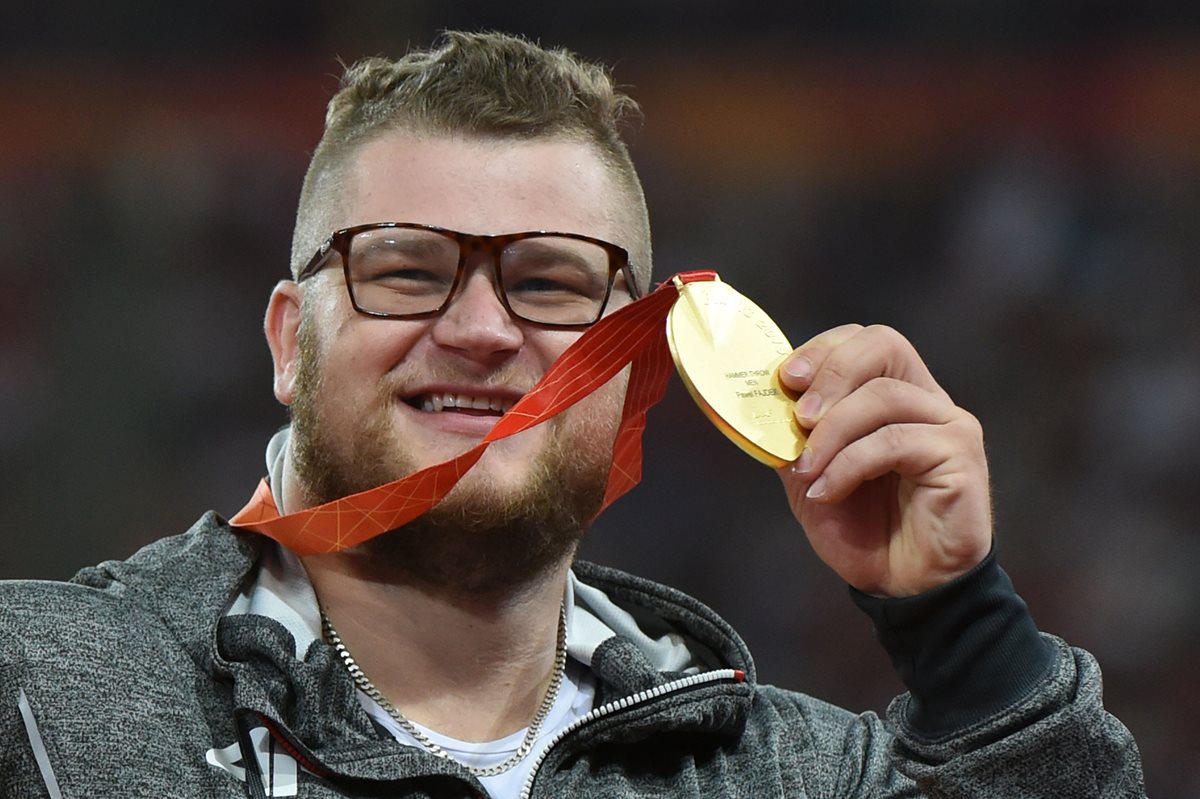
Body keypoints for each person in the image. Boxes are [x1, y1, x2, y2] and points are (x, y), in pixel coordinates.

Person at [1, 31, 1145, 798]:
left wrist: (961, 631)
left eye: (549, 281)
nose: (484, 329)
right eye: (406, 268)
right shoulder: (39, 692)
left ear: (638, 364)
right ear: (291, 339)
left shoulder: (791, 771)